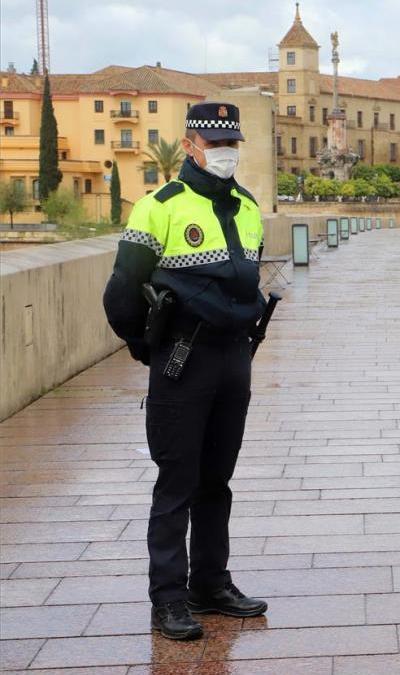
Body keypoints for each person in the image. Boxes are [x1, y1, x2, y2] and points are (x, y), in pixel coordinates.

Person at [103, 102, 269, 640]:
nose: (226, 154)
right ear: (191, 144)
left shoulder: (246, 206)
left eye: (232, 145)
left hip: (233, 358)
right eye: (215, 144)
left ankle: (211, 585)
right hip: (182, 359)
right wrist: (145, 346)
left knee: (217, 481)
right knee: (177, 482)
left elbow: (249, 282)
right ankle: (169, 598)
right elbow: (122, 293)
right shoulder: (159, 206)